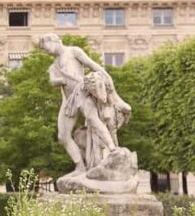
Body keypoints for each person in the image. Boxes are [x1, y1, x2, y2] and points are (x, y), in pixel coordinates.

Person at [39, 34, 131, 173]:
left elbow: (92, 65)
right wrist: (62, 80)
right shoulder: (53, 66)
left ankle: (112, 147)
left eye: (46, 48)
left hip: (81, 93)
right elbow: (52, 81)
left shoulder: (73, 51)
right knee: (63, 136)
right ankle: (80, 166)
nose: (46, 52)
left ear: (54, 41)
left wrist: (107, 82)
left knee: (93, 120)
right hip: (68, 101)